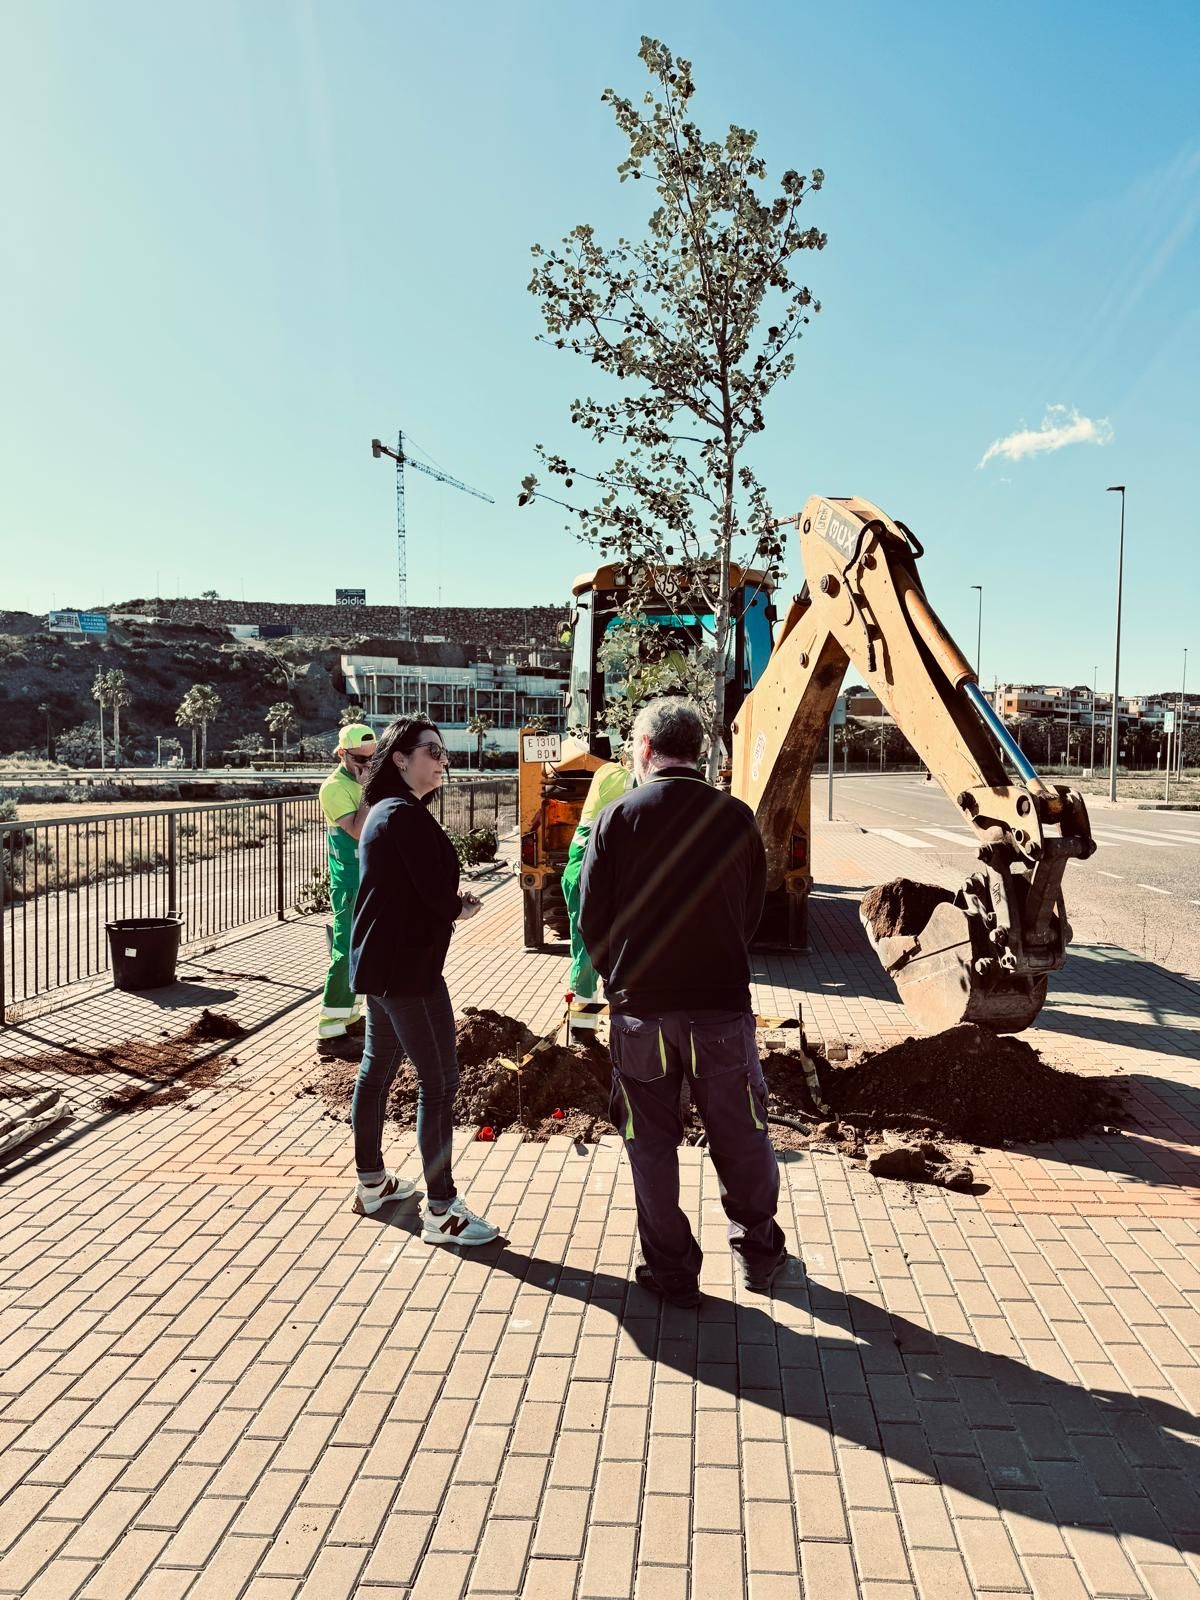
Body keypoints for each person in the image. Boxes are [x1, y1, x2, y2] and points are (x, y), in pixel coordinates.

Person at [578, 696, 787, 1305]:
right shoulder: (735, 818)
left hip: (642, 1009)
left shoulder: (618, 817)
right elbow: (752, 908)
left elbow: (592, 918)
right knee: (741, 1133)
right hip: (720, 1006)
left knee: (650, 1142)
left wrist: (619, 978)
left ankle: (670, 1270)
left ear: (644, 749)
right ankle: (757, 1252)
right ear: (700, 751)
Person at [347, 716, 499, 1246]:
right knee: (439, 1083)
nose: (441, 760)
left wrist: (448, 904)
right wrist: (459, 907)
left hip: (383, 968)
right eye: (431, 751)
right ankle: (441, 1211)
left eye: (443, 752)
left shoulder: (390, 812)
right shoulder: (402, 815)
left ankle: (372, 1184)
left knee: (376, 1068)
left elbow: (411, 890)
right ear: (399, 759)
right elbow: (433, 893)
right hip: (408, 973)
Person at [560, 748, 633, 1036]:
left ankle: (592, 1023)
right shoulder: (616, 776)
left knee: (598, 952)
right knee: (587, 953)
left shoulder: (609, 773)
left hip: (592, 876)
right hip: (585, 877)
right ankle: (582, 1027)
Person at [317, 723, 377, 1049]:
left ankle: (349, 1016)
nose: (367, 766)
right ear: (342, 754)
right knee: (344, 952)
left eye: (373, 758)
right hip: (350, 882)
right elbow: (356, 830)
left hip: (368, 878)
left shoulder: (363, 776)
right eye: (360, 759)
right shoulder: (334, 788)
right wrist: (371, 790)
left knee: (360, 952)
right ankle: (329, 1031)